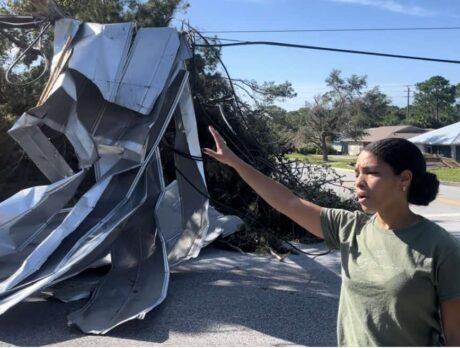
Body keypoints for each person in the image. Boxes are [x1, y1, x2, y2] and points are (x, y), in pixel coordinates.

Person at [202, 126, 460, 346]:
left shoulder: (442, 248)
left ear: (403, 179)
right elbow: (288, 201)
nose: (358, 181)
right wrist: (236, 163)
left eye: (371, 172)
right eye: (356, 171)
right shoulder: (350, 227)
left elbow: (455, 337)